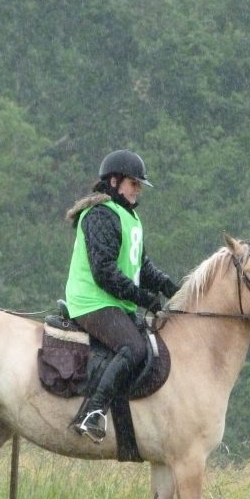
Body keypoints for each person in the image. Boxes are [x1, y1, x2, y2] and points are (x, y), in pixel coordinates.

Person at [64, 149, 180, 441]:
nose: (138, 189)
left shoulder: (130, 217)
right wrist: (146, 300)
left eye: (139, 184)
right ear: (114, 181)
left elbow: (141, 265)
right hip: (92, 300)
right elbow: (104, 272)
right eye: (133, 183)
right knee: (134, 348)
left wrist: (170, 288)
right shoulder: (100, 215)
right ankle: (93, 412)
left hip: (115, 302)